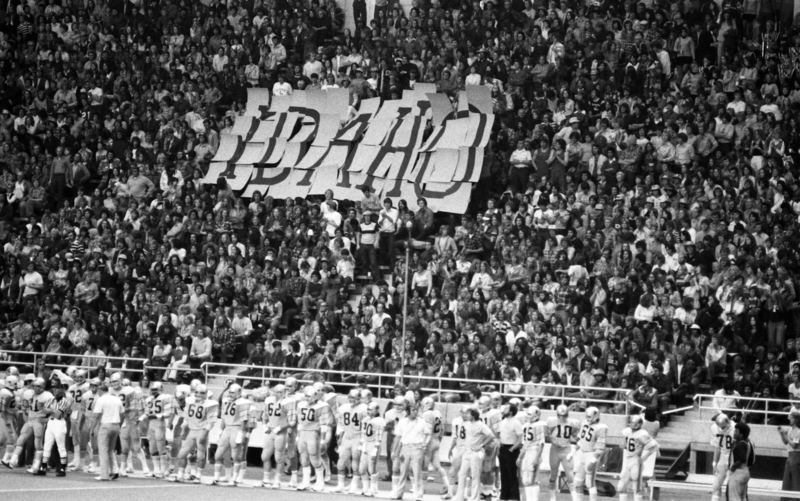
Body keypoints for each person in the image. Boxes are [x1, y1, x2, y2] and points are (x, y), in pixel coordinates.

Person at [169, 384, 217, 484]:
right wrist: (183, 429)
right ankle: (180, 475)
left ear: (206, 394)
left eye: (202, 393)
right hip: (191, 430)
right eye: (197, 392)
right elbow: (186, 418)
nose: (198, 394)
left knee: (200, 455)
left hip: (202, 430)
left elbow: (211, 422)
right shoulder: (190, 402)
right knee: (182, 453)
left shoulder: (210, 404)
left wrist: (205, 433)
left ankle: (198, 476)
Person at [8, 377, 54, 473]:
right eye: (34, 386)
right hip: (30, 419)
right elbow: (24, 408)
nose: (36, 388)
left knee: (38, 443)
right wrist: (26, 417)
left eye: (38, 386)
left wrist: (47, 419)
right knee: (21, 439)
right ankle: (12, 461)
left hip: (39, 420)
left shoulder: (48, 396)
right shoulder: (28, 393)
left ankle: (36, 466)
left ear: (43, 387)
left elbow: (54, 410)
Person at [212, 383, 252, 486]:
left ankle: (234, 478)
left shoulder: (243, 403)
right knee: (218, 454)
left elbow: (244, 420)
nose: (230, 394)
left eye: (233, 392)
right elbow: (224, 417)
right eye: (229, 392)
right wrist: (220, 430)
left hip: (236, 427)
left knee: (235, 455)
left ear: (239, 392)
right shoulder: (226, 401)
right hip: (227, 428)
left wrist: (241, 432)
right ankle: (216, 477)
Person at [453, 407, 495, 501]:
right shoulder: (467, 424)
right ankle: (459, 496)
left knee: (475, 475)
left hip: (476, 453)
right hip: (467, 452)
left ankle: (475, 498)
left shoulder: (481, 425)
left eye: (468, 414)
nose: (466, 415)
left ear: (473, 415)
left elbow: (491, 435)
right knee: (461, 474)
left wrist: (482, 445)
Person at [392, 402, 431, 501]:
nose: (415, 412)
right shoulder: (402, 422)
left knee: (417, 472)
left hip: (417, 448)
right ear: (408, 411)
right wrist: (394, 451)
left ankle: (418, 494)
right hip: (405, 448)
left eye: (416, 410)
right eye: (413, 410)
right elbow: (398, 437)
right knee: (403, 472)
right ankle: (398, 493)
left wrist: (424, 444)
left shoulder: (422, 422)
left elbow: (428, 434)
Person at [618, 414, 659, 501]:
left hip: (636, 461)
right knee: (621, 486)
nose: (630, 424)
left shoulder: (642, 434)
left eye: (632, 422)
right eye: (630, 422)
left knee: (636, 487)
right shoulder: (627, 431)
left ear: (638, 424)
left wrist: (644, 457)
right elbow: (623, 444)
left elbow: (654, 446)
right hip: (627, 461)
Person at [333, 389, 366, 493]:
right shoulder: (343, 408)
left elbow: (366, 427)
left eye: (355, 398)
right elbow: (341, 424)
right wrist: (339, 437)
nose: (352, 400)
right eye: (351, 397)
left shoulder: (364, 408)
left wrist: (363, 441)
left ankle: (354, 485)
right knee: (341, 461)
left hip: (358, 436)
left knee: (355, 462)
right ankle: (340, 485)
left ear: (359, 398)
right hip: (346, 437)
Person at [545, 405, 579, 501]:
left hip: (566, 450)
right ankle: (552, 498)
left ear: (567, 415)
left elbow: (577, 437)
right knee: (553, 474)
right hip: (555, 449)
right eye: (560, 415)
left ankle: (575, 498)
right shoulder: (552, 422)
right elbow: (547, 435)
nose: (562, 418)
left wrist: (577, 445)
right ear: (557, 414)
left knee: (570, 474)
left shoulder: (572, 423)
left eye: (564, 415)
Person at [36, 384, 71, 477]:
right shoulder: (51, 399)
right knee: (47, 445)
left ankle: (63, 469)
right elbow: (43, 411)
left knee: (61, 446)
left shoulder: (64, 401)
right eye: (54, 388)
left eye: (57, 388)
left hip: (59, 423)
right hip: (50, 423)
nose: (55, 390)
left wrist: (49, 410)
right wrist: (50, 411)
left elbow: (58, 415)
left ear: (62, 390)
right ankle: (43, 467)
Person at [141, 381, 175, 478]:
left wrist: (156, 415)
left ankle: (163, 469)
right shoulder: (148, 399)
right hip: (151, 424)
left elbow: (168, 413)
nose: (153, 391)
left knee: (161, 446)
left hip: (160, 423)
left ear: (160, 389)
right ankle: (156, 469)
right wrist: (141, 419)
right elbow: (147, 413)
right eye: (152, 390)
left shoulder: (165, 398)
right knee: (152, 447)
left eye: (155, 389)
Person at [574, 407, 608, 501]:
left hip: (591, 455)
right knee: (577, 482)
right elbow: (581, 440)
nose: (587, 418)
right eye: (586, 416)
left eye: (589, 416)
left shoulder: (601, 427)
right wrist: (573, 451)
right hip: (583, 454)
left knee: (589, 483)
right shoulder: (585, 423)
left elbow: (600, 446)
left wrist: (593, 460)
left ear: (595, 416)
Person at [92, 383, 124, 481]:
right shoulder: (116, 399)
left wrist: (93, 428)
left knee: (103, 450)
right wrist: (119, 425)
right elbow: (122, 414)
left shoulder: (100, 399)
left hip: (105, 425)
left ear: (100, 391)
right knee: (110, 450)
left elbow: (96, 415)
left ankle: (104, 474)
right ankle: (115, 470)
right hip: (116, 425)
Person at [421, 396, 452, 495]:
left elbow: (428, 431)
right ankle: (447, 486)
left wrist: (424, 445)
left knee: (424, 466)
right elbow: (442, 429)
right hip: (436, 440)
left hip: (429, 441)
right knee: (437, 466)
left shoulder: (426, 414)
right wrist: (439, 440)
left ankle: (421, 488)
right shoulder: (437, 413)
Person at [359, 400, 386, 496]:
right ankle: (365, 488)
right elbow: (363, 433)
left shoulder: (379, 421)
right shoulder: (366, 419)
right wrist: (361, 444)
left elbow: (379, 436)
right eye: (368, 409)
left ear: (376, 410)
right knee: (362, 469)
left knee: (371, 469)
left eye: (370, 409)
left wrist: (375, 448)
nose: (368, 411)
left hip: (373, 445)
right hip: (366, 444)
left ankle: (373, 489)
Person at [498, 403, 523, 501]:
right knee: (503, 473)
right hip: (503, 448)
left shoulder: (516, 422)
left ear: (511, 412)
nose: (504, 410)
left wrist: (512, 449)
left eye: (506, 408)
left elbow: (520, 438)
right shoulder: (503, 421)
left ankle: (514, 497)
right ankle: (504, 496)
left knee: (512, 474)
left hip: (511, 449)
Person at [728, 422, 756, 501]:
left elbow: (742, 459)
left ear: (741, 434)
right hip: (746, 471)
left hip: (738, 472)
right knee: (743, 497)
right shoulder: (749, 443)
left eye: (736, 431)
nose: (734, 432)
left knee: (734, 497)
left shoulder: (741, 444)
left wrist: (731, 469)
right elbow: (752, 460)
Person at [710, 414, 735, 501]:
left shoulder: (735, 428)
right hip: (723, 458)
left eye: (724, 427)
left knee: (733, 489)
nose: (722, 429)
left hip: (733, 459)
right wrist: (714, 463)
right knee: (716, 486)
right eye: (720, 427)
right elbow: (717, 447)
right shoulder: (714, 428)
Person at [779, 413, 800, 501]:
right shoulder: (791, 429)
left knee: (795, 478)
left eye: (791, 418)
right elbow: (786, 442)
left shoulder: (799, 431)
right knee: (787, 477)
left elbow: (794, 445)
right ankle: (785, 498)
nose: (789, 420)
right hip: (790, 455)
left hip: (797, 455)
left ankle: (795, 498)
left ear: (796, 420)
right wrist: (781, 434)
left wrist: (786, 436)